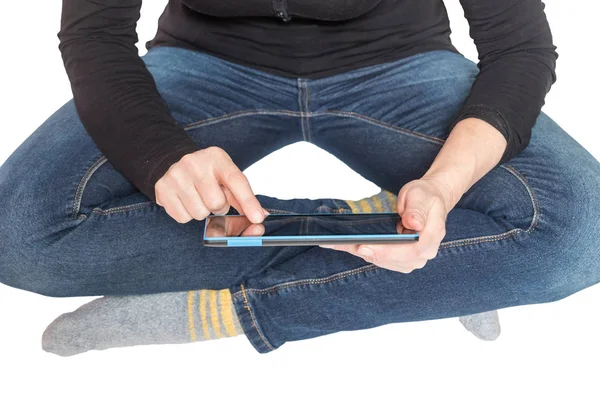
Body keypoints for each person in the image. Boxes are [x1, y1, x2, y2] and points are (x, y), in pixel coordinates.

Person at [1, 0, 599, 355]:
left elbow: (520, 48)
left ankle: (220, 312)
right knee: (18, 236)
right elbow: (94, 32)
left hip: (400, 64)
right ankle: (428, 257)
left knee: (585, 231)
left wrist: (443, 186)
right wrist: (158, 156)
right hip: (203, 63)